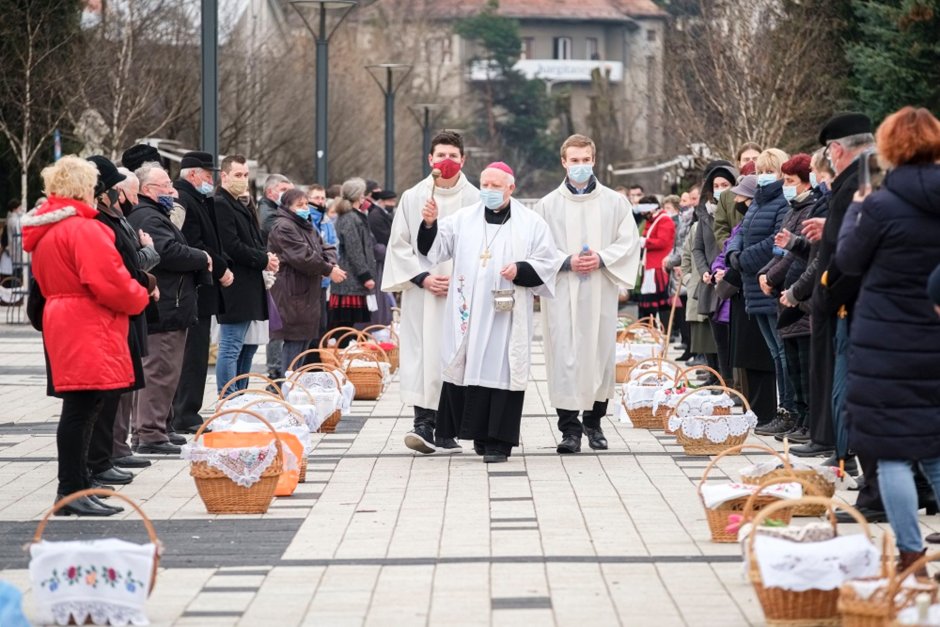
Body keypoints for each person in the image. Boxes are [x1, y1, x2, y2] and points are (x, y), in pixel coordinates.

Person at [836, 106, 940, 569]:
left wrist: (856, 213)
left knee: (892, 453)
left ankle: (911, 550)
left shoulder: (879, 205)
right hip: (933, 335)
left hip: (885, 343)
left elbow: (850, 261)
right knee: (935, 448)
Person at [21, 156, 150, 516]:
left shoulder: (51, 229)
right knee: (83, 410)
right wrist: (140, 296)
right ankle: (72, 491)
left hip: (66, 319)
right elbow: (110, 282)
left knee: (81, 409)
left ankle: (76, 488)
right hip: (87, 321)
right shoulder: (83, 229)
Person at [418, 162, 559, 462]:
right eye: (485, 184)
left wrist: (521, 268)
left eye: (496, 186)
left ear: (511, 187)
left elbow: (547, 262)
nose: (489, 191)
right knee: (471, 369)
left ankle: (499, 442)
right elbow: (435, 249)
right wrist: (430, 224)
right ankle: (480, 436)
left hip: (506, 313)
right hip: (469, 311)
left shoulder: (531, 223)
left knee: (502, 372)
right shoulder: (463, 219)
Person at [534, 134, 641, 454]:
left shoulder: (614, 202)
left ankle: (594, 423)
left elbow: (629, 241)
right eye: (574, 161)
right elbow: (537, 248)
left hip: (599, 289)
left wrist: (603, 257)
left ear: (593, 160)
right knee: (564, 357)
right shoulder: (547, 205)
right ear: (564, 162)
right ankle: (569, 429)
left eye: (585, 160)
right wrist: (565, 261)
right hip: (563, 291)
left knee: (598, 355)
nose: (580, 166)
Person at [382, 131, 480, 454]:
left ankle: (448, 429)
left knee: (455, 355)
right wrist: (423, 277)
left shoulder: (477, 199)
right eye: (441, 156)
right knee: (423, 352)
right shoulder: (414, 197)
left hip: (461, 292)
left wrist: (464, 279)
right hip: (423, 292)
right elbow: (398, 245)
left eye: (453, 156)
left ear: (463, 159)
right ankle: (423, 422)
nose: (447, 162)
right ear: (430, 159)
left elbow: (483, 247)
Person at [789, 114, 874, 461]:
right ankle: (835, 445)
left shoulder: (861, 180)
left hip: (846, 297)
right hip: (843, 295)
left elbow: (857, 242)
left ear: (837, 149)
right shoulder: (862, 177)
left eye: (829, 150)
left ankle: (844, 452)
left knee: (844, 385)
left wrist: (828, 291)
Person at [127, 161, 209, 454]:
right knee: (160, 370)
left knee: (164, 370)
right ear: (148, 189)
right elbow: (168, 252)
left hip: (172, 303)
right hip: (166, 307)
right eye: (166, 186)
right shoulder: (148, 217)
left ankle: (156, 427)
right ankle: (150, 433)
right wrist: (201, 256)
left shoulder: (155, 214)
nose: (172, 191)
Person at [86, 156, 158, 484]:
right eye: (116, 188)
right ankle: (94, 465)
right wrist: (145, 286)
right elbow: (118, 272)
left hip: (122, 313)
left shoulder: (114, 219)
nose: (122, 195)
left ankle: (105, 457)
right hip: (106, 318)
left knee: (115, 390)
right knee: (92, 404)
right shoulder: (97, 224)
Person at [726, 148, 794, 429]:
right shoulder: (756, 203)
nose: (764, 177)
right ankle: (784, 410)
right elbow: (739, 233)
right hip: (752, 285)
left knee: (781, 352)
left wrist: (742, 260)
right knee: (773, 350)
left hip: (769, 283)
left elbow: (773, 243)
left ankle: (788, 410)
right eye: (760, 171)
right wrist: (733, 254)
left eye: (770, 171)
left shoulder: (782, 204)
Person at [171, 151, 233, 434]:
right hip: (194, 287)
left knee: (196, 355)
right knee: (192, 355)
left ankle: (186, 411)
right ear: (193, 174)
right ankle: (184, 413)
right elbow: (192, 243)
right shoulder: (183, 199)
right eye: (209, 175)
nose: (212, 180)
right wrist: (219, 268)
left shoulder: (198, 197)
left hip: (201, 288)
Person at [756, 154, 815, 438]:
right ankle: (801, 418)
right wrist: (764, 275)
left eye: (790, 181)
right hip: (785, 297)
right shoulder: (793, 210)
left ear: (806, 182)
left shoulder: (811, 209)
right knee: (792, 365)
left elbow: (798, 255)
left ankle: (807, 420)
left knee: (804, 366)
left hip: (801, 299)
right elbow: (781, 249)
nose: (786, 186)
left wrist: (772, 277)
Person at [712, 175, 778, 424]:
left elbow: (762, 246)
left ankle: (767, 413)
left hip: (758, 290)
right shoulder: (749, 216)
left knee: (762, 357)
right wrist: (732, 258)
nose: (736, 200)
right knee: (748, 359)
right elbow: (732, 242)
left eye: (740, 196)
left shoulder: (768, 210)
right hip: (746, 293)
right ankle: (755, 412)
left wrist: (738, 261)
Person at [214, 155, 279, 395]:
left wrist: (266, 257)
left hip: (250, 283)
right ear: (224, 176)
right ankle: (228, 396)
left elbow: (253, 238)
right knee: (231, 345)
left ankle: (239, 393)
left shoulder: (240, 202)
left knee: (248, 346)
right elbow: (231, 244)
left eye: (245, 175)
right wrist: (262, 259)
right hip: (235, 284)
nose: (243, 180)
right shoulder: (221, 203)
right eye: (238, 175)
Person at [109, 168, 160, 469]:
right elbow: (131, 265)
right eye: (133, 192)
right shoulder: (114, 224)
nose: (135, 199)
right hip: (125, 309)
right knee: (120, 386)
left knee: (129, 381)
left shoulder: (123, 221)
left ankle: (119, 447)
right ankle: (115, 449)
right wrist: (150, 251)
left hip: (134, 308)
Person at [268, 189, 344, 373]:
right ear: (288, 207)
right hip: (291, 293)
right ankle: (288, 385)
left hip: (307, 293)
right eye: (299, 205)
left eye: (305, 204)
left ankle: (295, 385)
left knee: (304, 341)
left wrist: (331, 264)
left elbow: (326, 246)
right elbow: (303, 257)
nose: (304, 208)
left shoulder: (305, 225)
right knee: (294, 343)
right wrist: (328, 269)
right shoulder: (284, 226)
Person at [693, 161, 737, 380]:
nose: (720, 189)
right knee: (719, 339)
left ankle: (737, 385)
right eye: (716, 185)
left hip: (731, 280)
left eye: (725, 184)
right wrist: (703, 270)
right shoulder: (705, 215)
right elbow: (697, 247)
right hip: (711, 283)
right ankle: (724, 382)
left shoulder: (739, 210)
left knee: (735, 340)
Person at [329, 178, 377, 335]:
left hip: (351, 280)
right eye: (362, 194)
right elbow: (354, 249)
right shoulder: (350, 218)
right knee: (344, 326)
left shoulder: (353, 216)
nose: (364, 197)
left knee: (348, 326)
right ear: (357, 195)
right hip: (350, 280)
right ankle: (339, 355)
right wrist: (366, 276)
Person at [258, 174, 293, 379]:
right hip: (274, 273)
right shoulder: (269, 214)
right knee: (276, 325)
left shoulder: (275, 211)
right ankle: (275, 368)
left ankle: (277, 367)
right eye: (283, 190)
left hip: (277, 272)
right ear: (271, 192)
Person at [636, 196, 676, 329]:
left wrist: (645, 242)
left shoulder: (664, 220)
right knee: (647, 302)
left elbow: (663, 241)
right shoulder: (652, 220)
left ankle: (666, 332)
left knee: (661, 302)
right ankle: (647, 330)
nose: (642, 214)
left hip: (658, 267)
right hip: (649, 266)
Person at [714, 142, 763, 248]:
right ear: (739, 163)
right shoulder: (726, 196)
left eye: (755, 159)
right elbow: (721, 228)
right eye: (746, 159)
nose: (751, 163)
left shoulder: (768, 189)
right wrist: (730, 251)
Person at [308, 184, 338, 351]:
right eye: (316, 198)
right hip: (310, 279)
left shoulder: (326, 221)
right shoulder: (307, 220)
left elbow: (333, 245)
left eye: (322, 198)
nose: (320, 201)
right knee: (311, 325)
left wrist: (330, 266)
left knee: (322, 323)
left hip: (325, 280)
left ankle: (319, 360)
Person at [368, 189, 396, 326]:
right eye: (390, 201)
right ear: (383, 201)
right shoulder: (376, 216)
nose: (392, 204)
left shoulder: (383, 214)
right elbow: (384, 236)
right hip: (382, 255)